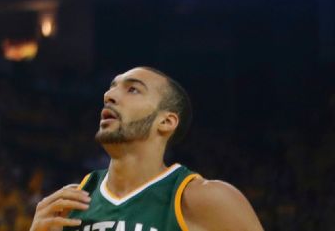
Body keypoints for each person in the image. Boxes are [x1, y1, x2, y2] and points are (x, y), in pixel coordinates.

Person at [30, 67, 264, 231]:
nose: (109, 96)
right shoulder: (71, 203)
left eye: (133, 90)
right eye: (111, 88)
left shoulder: (202, 198)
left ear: (166, 122)